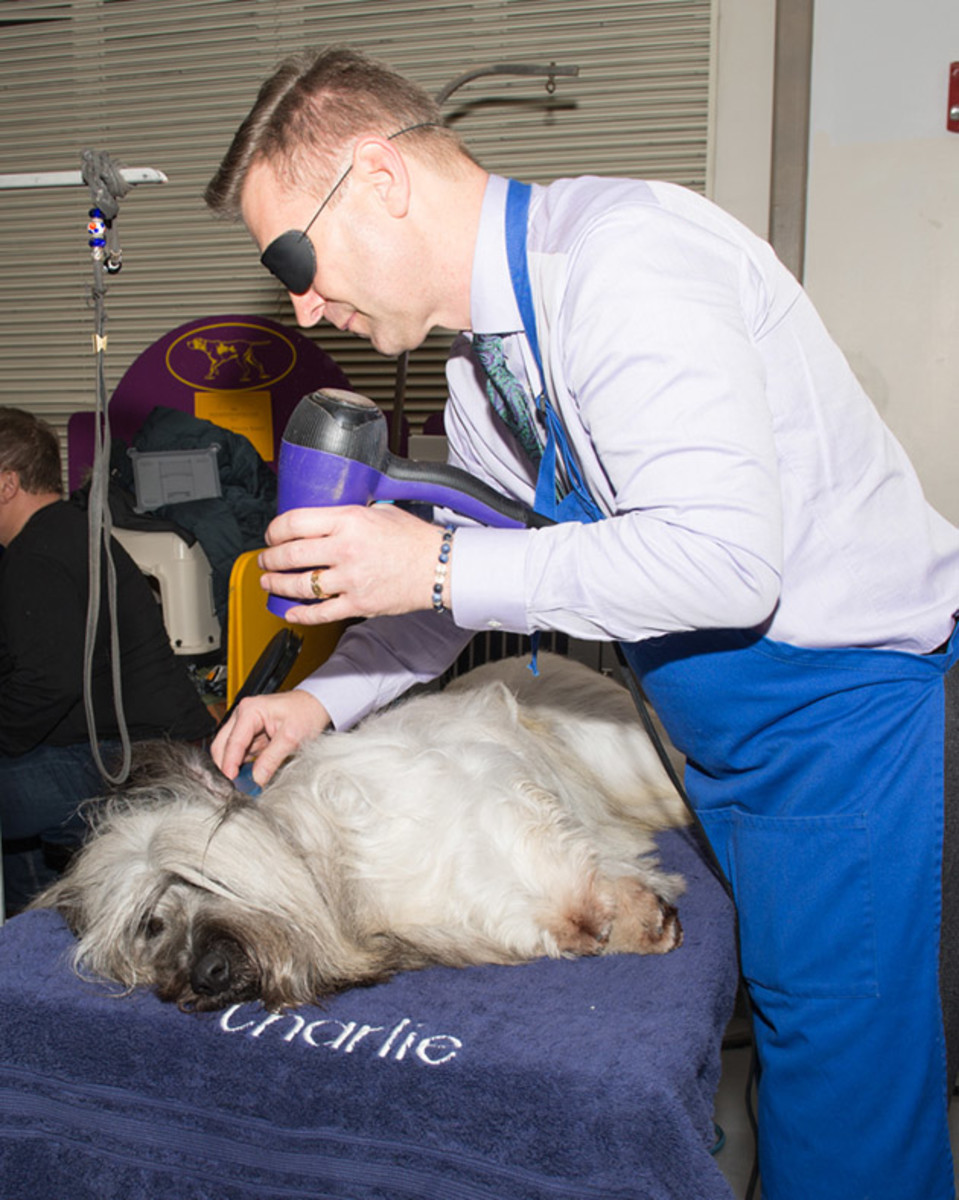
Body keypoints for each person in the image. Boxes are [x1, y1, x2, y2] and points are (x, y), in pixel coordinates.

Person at [204, 48, 959, 1200]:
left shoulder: (626, 262)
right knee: (799, 1043)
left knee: (844, 1078)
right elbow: (452, 601)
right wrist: (318, 697)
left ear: (376, 178)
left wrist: (441, 561)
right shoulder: (482, 383)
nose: (303, 304)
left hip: (834, 708)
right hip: (725, 729)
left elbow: (720, 565)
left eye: (294, 261)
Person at [0, 407, 214, 911]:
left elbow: (46, 685)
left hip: (140, 765)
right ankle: (30, 935)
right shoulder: (72, 533)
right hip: (163, 751)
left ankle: (27, 940)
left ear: (8, 483)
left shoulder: (38, 555)